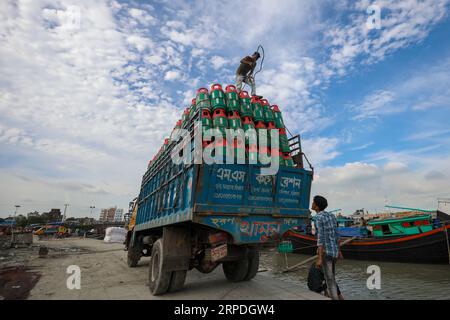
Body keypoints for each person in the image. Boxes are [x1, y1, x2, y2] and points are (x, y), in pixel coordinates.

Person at [312, 195, 342, 300]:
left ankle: (334, 298)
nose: (312, 204)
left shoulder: (318, 218)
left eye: (313, 202)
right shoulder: (332, 216)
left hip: (326, 253)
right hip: (334, 252)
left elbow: (320, 238)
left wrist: (320, 258)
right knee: (330, 277)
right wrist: (339, 251)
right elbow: (337, 235)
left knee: (330, 280)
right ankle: (329, 296)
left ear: (316, 206)